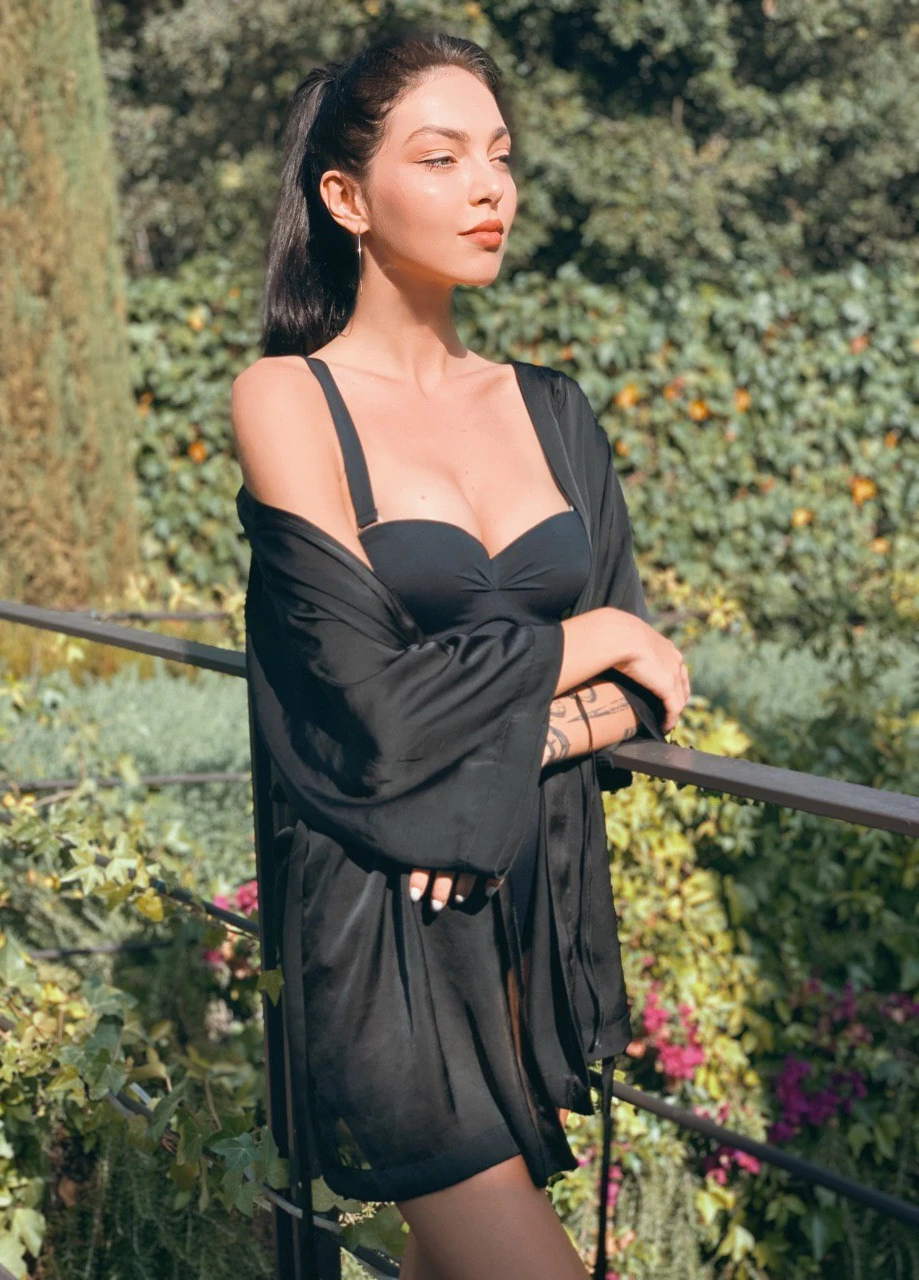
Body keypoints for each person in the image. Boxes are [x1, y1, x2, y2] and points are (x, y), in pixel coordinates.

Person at [231, 25, 690, 1280]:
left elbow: (651, 691)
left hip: (525, 918)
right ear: (346, 197)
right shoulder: (289, 398)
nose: (490, 187)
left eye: (500, 153)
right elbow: (368, 706)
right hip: (384, 921)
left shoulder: (553, 409)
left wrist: (520, 731)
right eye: (442, 158)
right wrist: (589, 636)